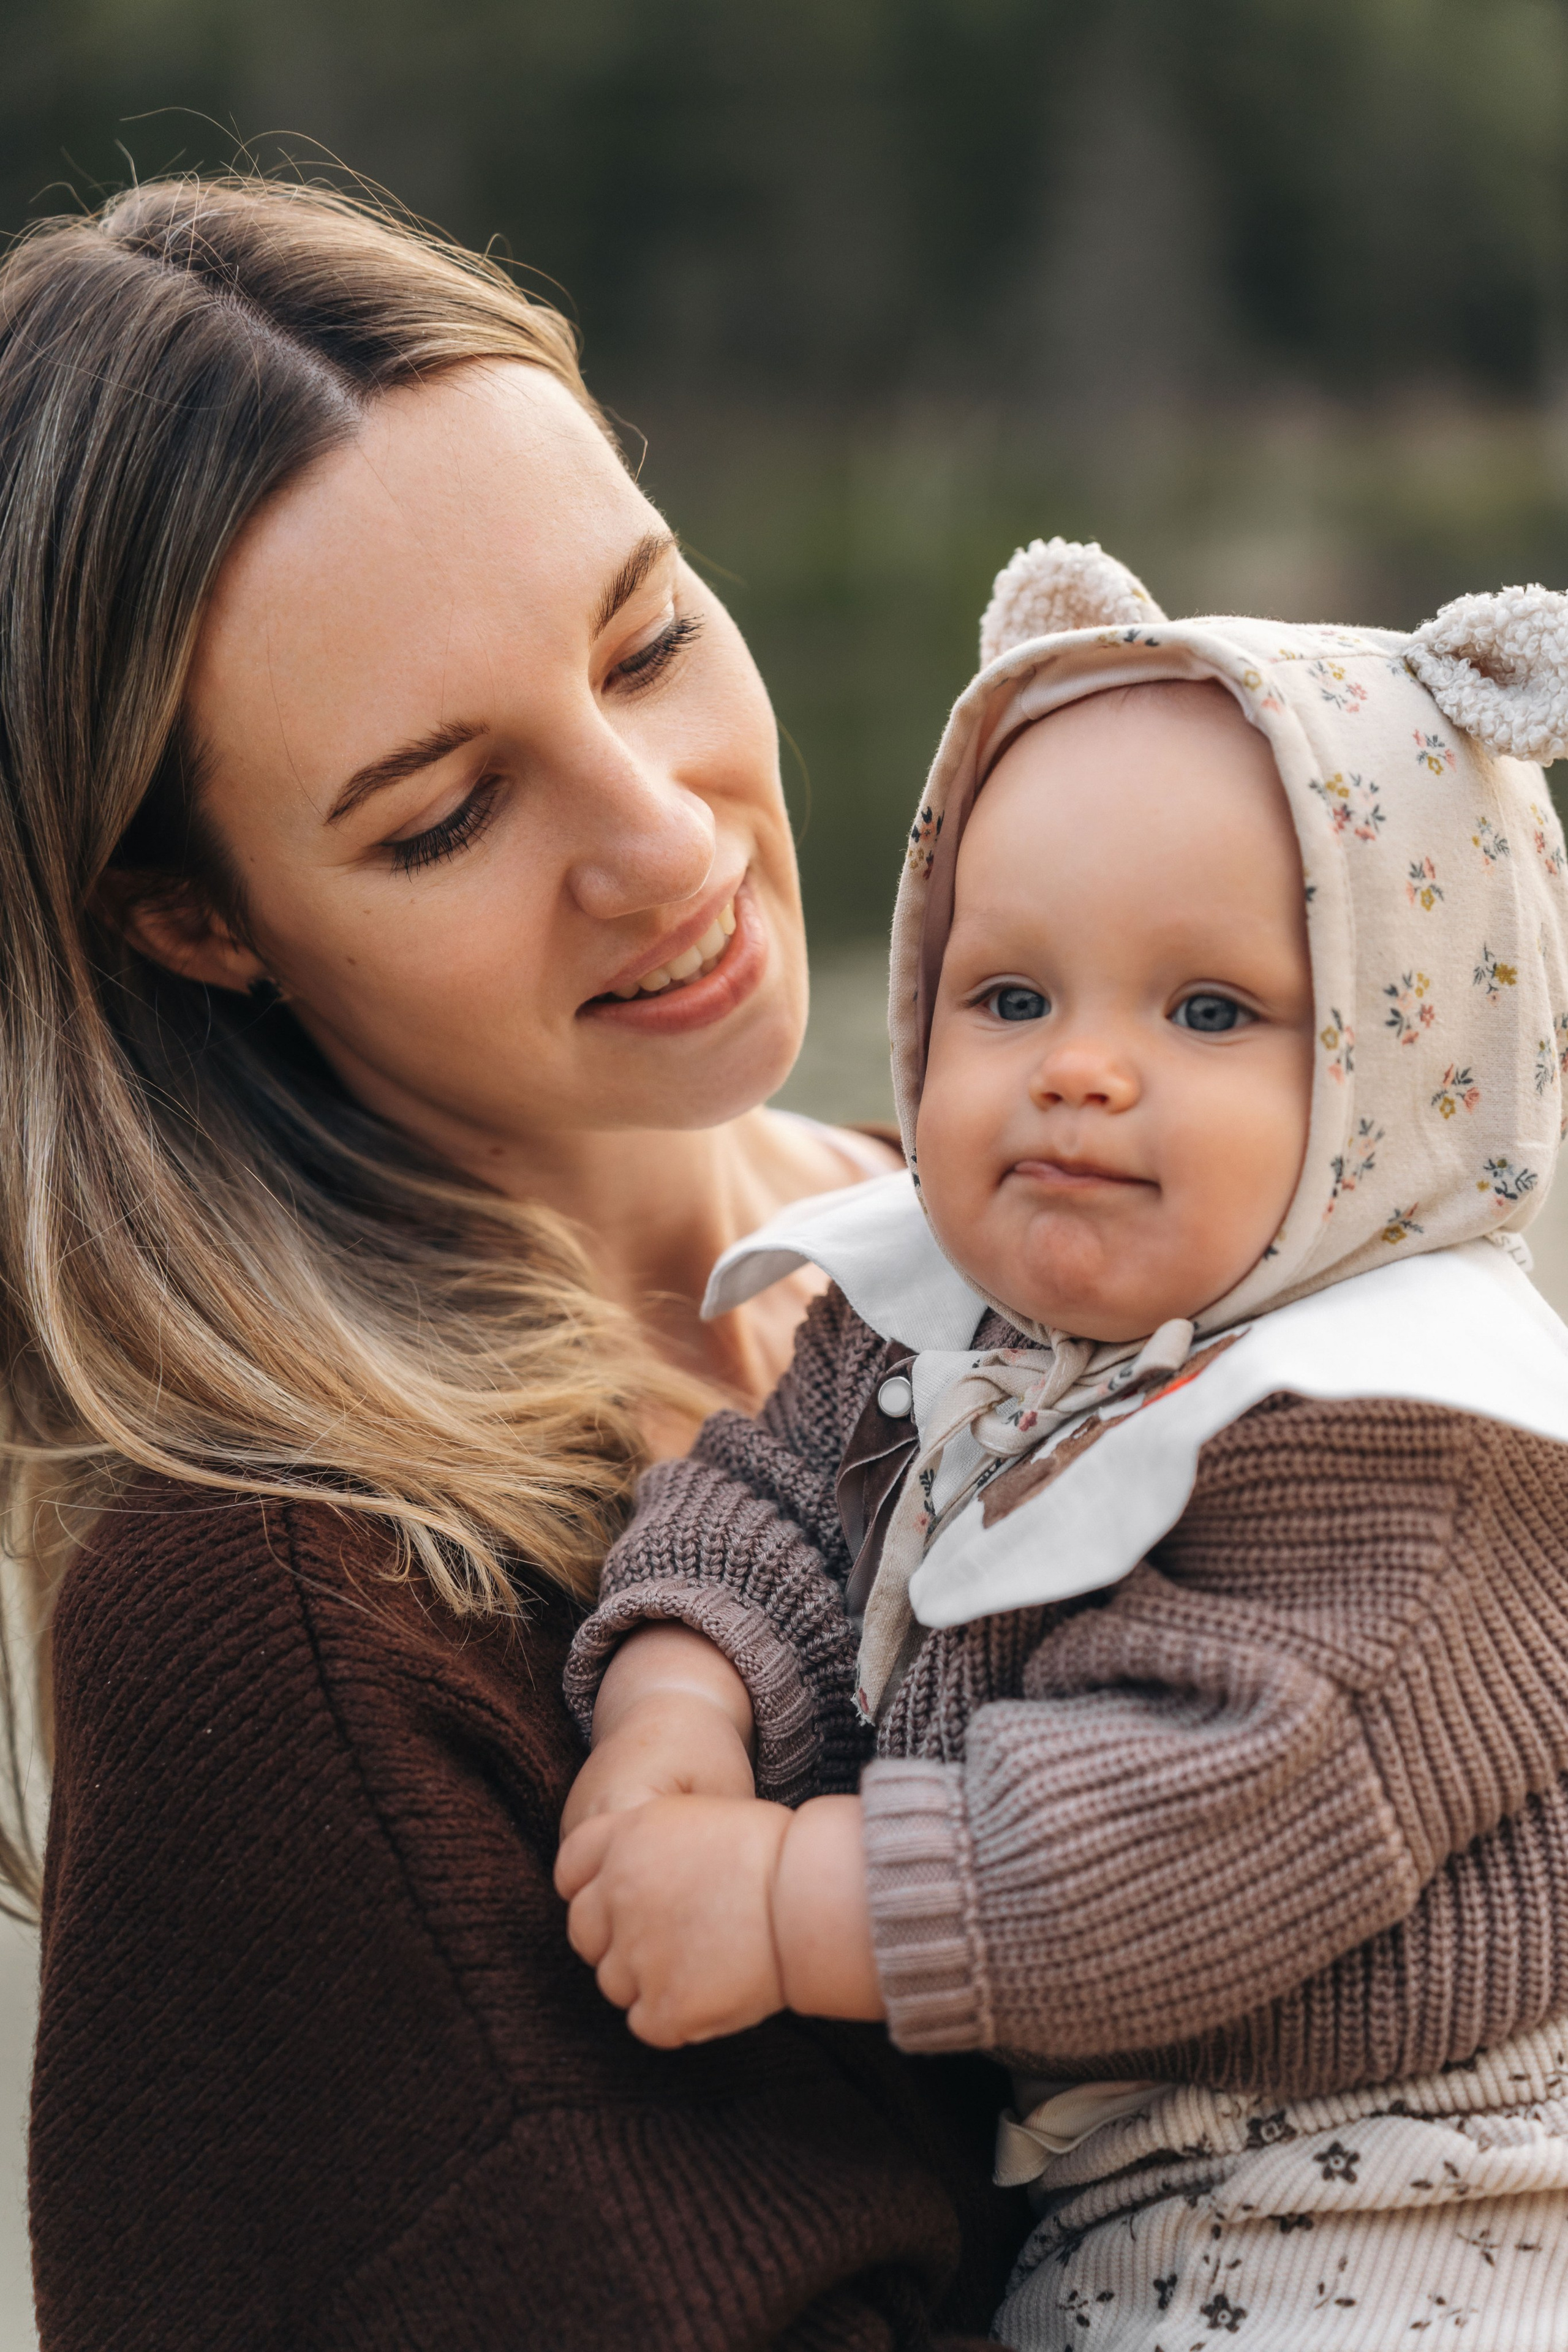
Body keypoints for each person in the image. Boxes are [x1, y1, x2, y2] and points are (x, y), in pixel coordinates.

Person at [1, 176, 1027, 2348]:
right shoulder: (287, 1637)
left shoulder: (1076, 1245)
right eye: (442, 815)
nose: (664, 838)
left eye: (645, 638)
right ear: (193, 924)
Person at [560, 540, 1568, 2343]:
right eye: (1010, 996)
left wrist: (797, 1901)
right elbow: (780, 1505)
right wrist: (677, 1704)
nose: (1080, 1071)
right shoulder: (935, 1310)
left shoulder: (1408, 1444)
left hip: (1434, 2177)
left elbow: (1215, 1826)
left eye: (1209, 1013)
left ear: (1410, 1085)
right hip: (1126, 2178)